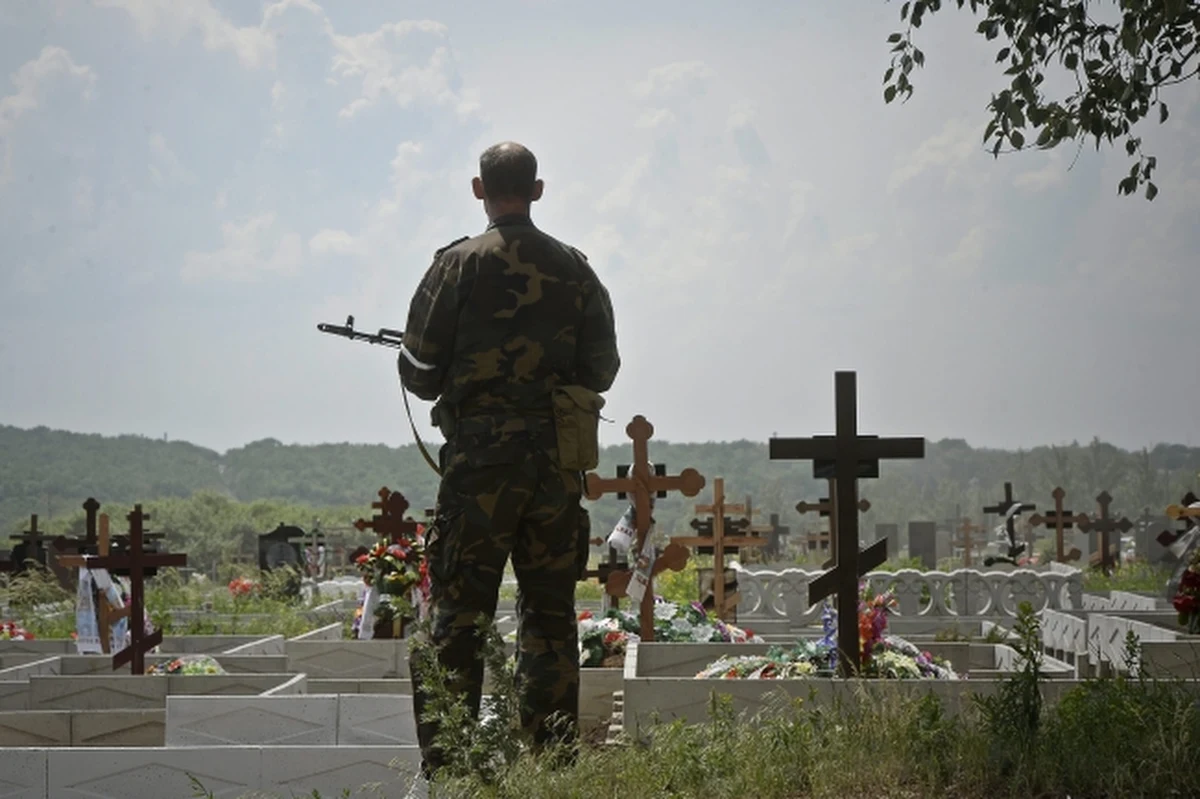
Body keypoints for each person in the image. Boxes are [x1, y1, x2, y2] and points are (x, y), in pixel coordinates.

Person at [398, 141, 620, 774]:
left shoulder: (457, 265)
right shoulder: (576, 270)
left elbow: (418, 369)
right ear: (538, 190)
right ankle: (552, 765)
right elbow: (601, 367)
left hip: (480, 473)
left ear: (478, 189)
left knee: (457, 616)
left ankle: (451, 769)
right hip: (553, 470)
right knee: (549, 615)